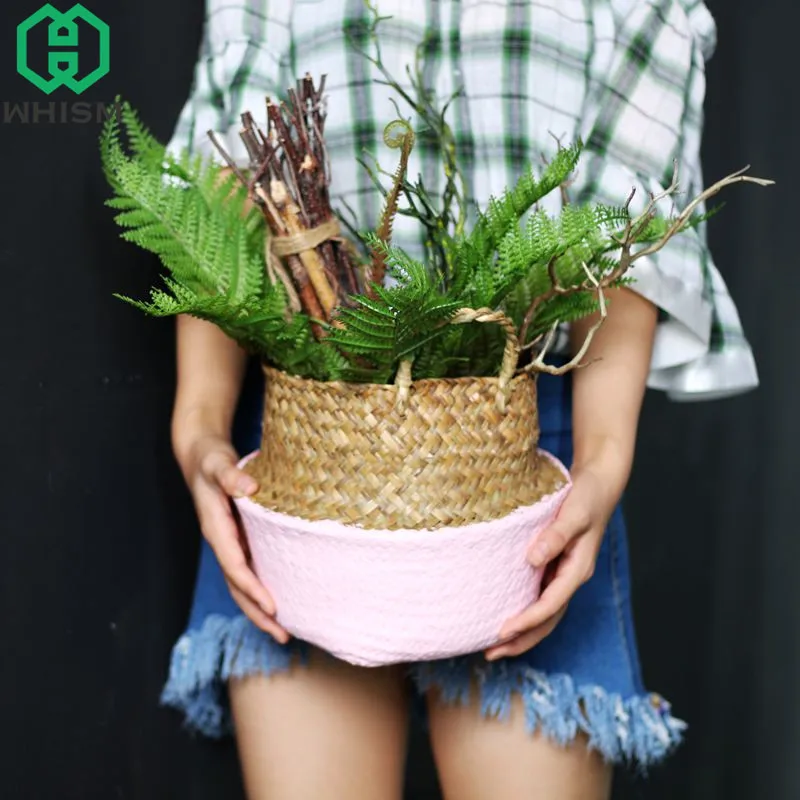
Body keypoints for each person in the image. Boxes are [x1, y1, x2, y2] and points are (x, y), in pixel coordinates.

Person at [162, 1, 757, 798]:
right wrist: (199, 424)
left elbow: (624, 236)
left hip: (521, 450)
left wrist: (603, 463)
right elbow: (217, 203)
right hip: (308, 452)